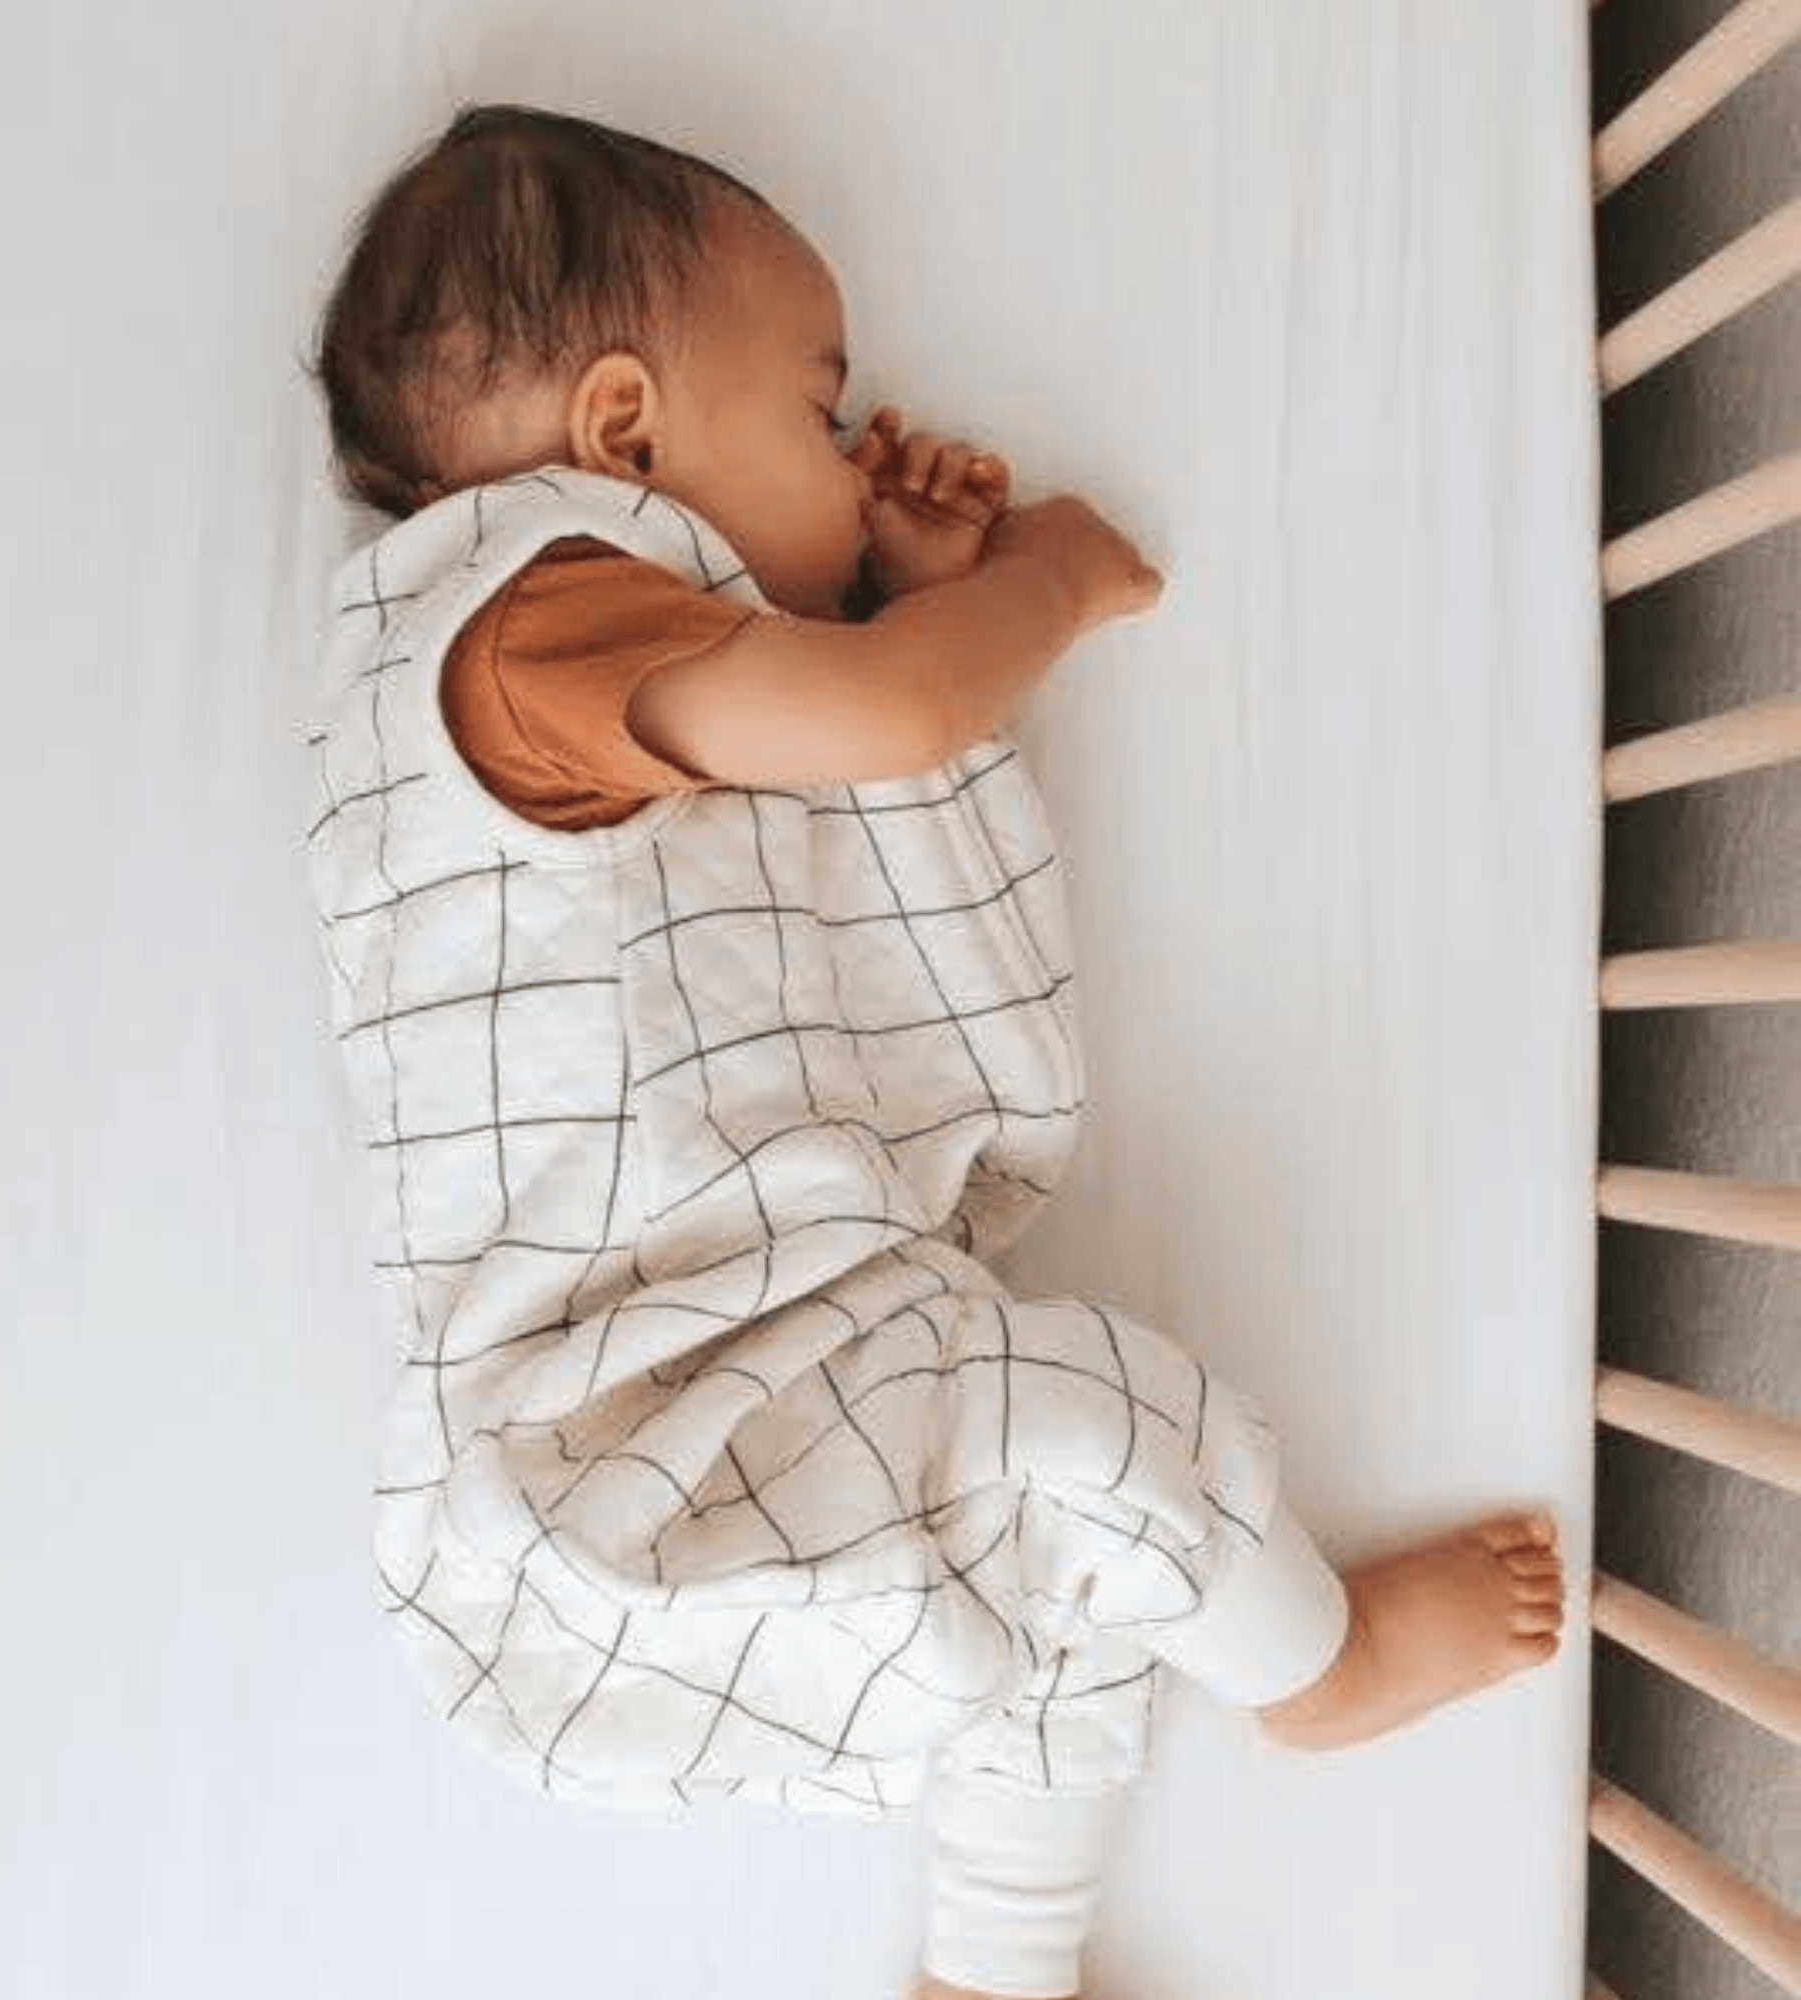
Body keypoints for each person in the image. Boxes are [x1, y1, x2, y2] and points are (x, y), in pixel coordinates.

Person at [298, 103, 1566, 2000]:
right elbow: (891, 717)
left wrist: (885, 579)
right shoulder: (521, 626)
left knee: (1039, 1571)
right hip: (622, 1416)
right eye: (821, 410)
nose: (852, 439)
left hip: (736, 1373)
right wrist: (1024, 587)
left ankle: (995, 1971)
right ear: (625, 434)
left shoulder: (603, 640)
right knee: (1084, 1429)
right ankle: (1315, 1669)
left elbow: (832, 740)